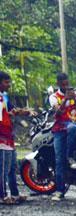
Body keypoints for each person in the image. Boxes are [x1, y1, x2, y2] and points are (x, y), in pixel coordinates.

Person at [47, 73, 76, 200]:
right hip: (59, 128)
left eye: (66, 82)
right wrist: (65, 100)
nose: (65, 85)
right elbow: (57, 113)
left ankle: (70, 156)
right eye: (62, 83)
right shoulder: (53, 96)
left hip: (74, 127)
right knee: (59, 160)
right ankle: (59, 190)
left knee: (73, 127)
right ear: (58, 83)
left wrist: (74, 98)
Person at [1, 71, 32, 205]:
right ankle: (2, 196)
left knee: (12, 167)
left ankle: (14, 194)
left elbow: (9, 112)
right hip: (2, 137)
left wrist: (19, 112)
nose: (9, 85)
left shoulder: (4, 97)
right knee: (3, 168)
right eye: (6, 82)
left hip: (9, 136)